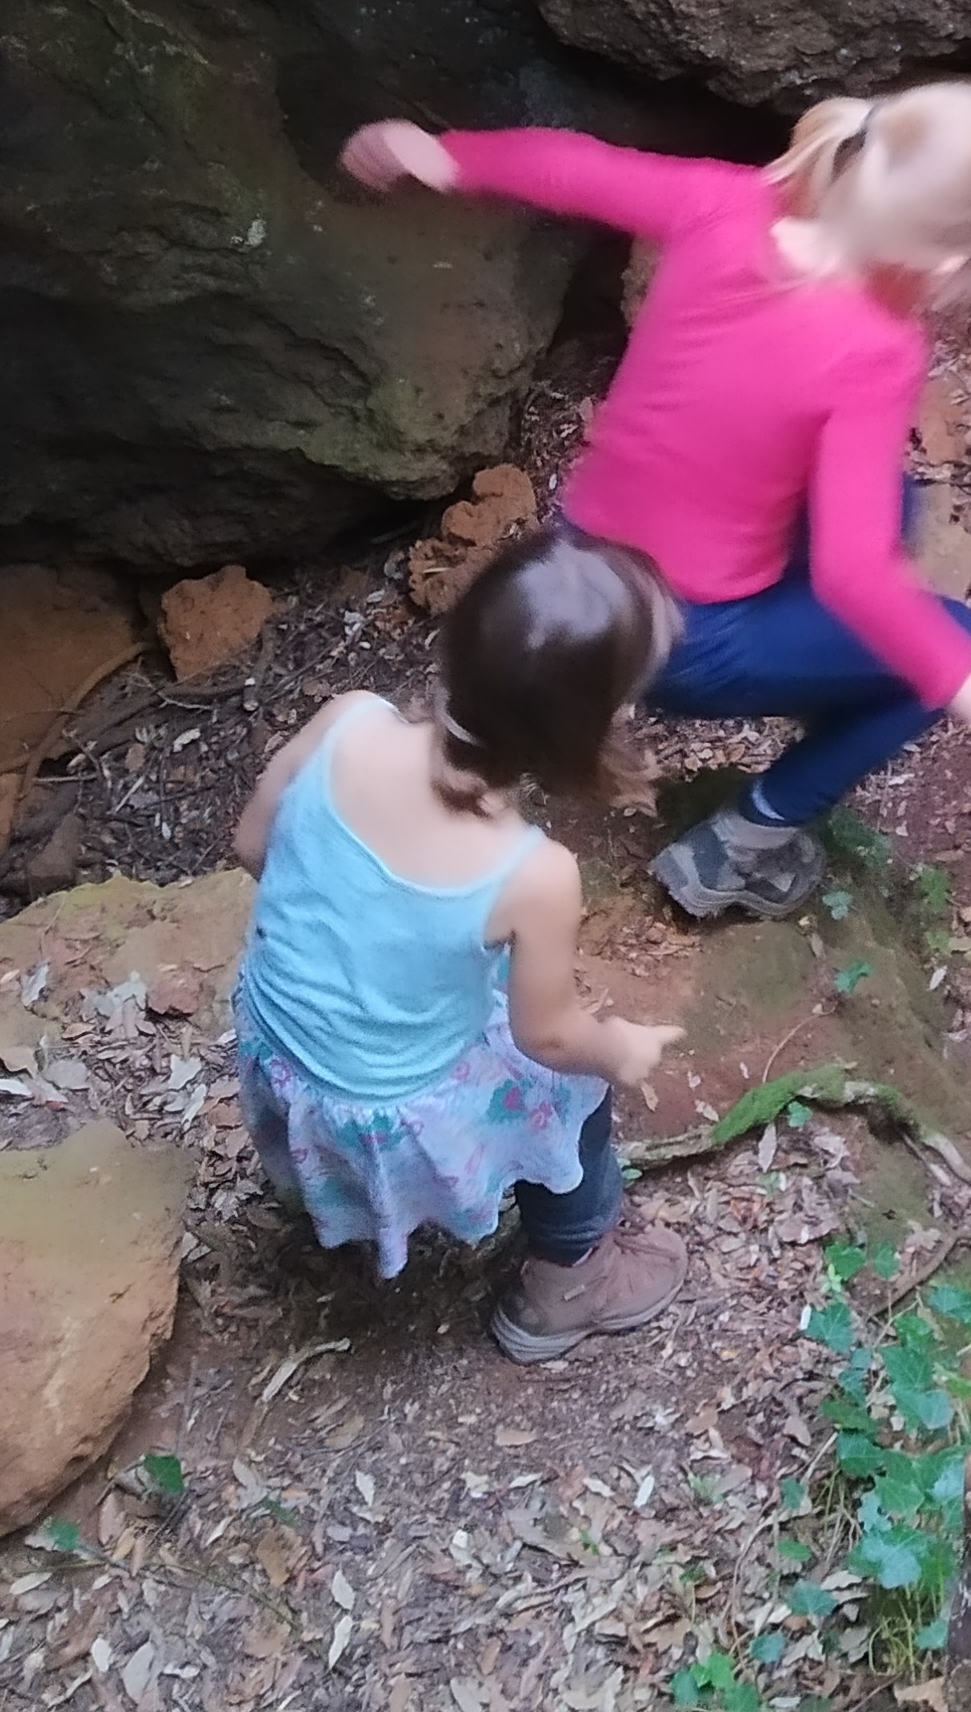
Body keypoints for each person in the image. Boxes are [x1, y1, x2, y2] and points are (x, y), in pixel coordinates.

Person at [342, 85, 971, 920]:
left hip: (580, 568)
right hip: (685, 641)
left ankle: (800, 665)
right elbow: (851, 571)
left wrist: (447, 156)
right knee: (948, 647)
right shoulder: (878, 351)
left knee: (893, 505)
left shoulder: (729, 202)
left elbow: (579, 168)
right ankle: (746, 843)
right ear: (945, 267)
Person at [226, 564, 689, 1365]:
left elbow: (250, 845)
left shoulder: (346, 721)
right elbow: (548, 1038)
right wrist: (620, 1050)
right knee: (570, 1089)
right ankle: (569, 1277)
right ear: (593, 727)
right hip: (385, 1100)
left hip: (281, 1045)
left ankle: (344, 1201)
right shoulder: (532, 874)